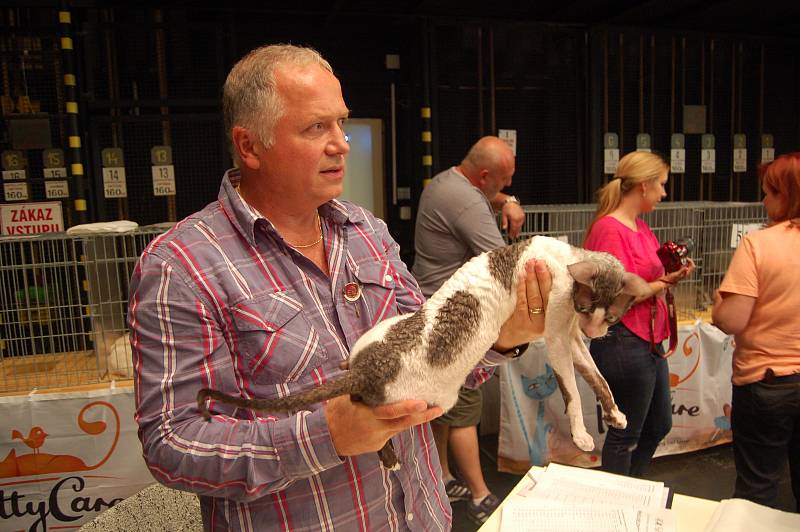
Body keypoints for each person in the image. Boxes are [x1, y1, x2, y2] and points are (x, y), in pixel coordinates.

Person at [129, 44, 552, 531]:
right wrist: (323, 434)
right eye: (316, 127)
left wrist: (500, 337)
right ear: (250, 147)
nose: (341, 143)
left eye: (340, 123)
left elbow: (434, 353)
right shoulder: (183, 267)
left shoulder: (365, 232)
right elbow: (172, 444)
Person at [412, 136, 524, 525]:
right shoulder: (466, 200)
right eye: (504, 181)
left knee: (439, 408)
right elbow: (502, 260)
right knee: (463, 408)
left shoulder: (446, 183)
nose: (507, 187)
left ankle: (442, 476)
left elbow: (484, 199)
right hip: (452, 321)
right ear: (485, 174)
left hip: (431, 308)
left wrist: (506, 202)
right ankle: (480, 494)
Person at [582, 151, 695, 477]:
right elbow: (617, 289)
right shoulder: (609, 230)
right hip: (623, 339)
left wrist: (670, 275)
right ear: (643, 186)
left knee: (658, 423)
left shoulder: (639, 227)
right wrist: (661, 282)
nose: (664, 193)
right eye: (660, 185)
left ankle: (633, 485)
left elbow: (646, 278)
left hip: (647, 338)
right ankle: (621, 499)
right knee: (626, 431)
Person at [711, 152, 800, 512]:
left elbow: (732, 320)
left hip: (767, 383)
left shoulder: (759, 244)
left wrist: (720, 300)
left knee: (757, 492)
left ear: (787, 195)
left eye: (768, 192)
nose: (763, 201)